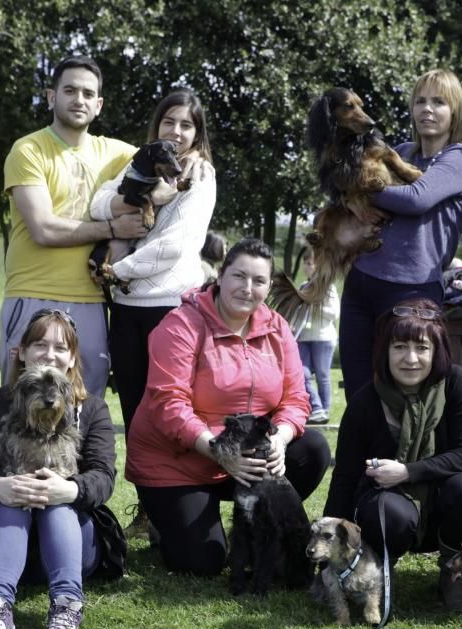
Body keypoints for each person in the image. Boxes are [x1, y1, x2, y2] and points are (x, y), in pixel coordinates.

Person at [124, 238, 331, 576]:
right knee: (203, 563)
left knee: (313, 449)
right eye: (239, 276)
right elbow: (168, 404)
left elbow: (296, 399)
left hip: (243, 461)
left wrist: (279, 439)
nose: (247, 288)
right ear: (220, 276)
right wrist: (219, 451)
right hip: (177, 462)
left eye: (259, 281)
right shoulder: (179, 325)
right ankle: (167, 524)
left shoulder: (278, 328)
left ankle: (255, 524)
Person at [0, 309, 126, 629]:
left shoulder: (92, 411)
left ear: (73, 357)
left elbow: (103, 476)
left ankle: (66, 608)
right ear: (22, 352)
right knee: (11, 497)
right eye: (40, 344)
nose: (50, 353)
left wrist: (70, 489)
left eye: (61, 347)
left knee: (58, 500)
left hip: (70, 549)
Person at [324, 298, 462, 611]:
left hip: (444, 504)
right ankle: (378, 572)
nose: (410, 359)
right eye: (399, 347)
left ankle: (455, 574)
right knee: (387, 510)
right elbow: (345, 476)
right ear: (384, 350)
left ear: (436, 351)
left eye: (422, 348)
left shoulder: (456, 384)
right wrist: (328, 547)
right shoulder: (365, 401)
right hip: (392, 511)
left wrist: (407, 471)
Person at [1, 55, 148, 398]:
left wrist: (198, 165)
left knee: (85, 406)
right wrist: (113, 228)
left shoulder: (117, 154)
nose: (78, 100)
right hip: (32, 295)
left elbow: (170, 155)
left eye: (87, 93)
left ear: (98, 105)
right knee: (21, 409)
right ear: (52, 97)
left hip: (91, 302)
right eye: (69, 90)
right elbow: (44, 229)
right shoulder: (28, 150)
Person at [338, 68, 462, 399]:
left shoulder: (460, 158)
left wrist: (358, 186)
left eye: (439, 102)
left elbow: (417, 198)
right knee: (359, 393)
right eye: (421, 101)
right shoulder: (401, 151)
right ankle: (356, 453)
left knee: (404, 395)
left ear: (454, 110)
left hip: (412, 290)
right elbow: (344, 189)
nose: (428, 109)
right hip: (361, 282)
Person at [89, 88, 217, 435]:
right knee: (134, 414)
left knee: (170, 412)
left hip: (169, 309)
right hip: (126, 310)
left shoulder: (199, 175)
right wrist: (145, 199)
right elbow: (97, 204)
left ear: (197, 133)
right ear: (157, 127)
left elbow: (173, 246)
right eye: (169, 121)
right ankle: (147, 490)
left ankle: (175, 489)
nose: (176, 131)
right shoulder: (142, 163)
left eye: (186, 125)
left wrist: (116, 271)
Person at [297, 246, 339, 425]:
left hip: (323, 338)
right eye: (306, 263)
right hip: (303, 337)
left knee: (322, 376)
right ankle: (317, 408)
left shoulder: (328, 287)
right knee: (302, 373)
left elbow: (334, 313)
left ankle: (324, 412)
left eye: (312, 264)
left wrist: (315, 305)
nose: (308, 267)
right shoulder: (302, 286)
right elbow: (298, 313)